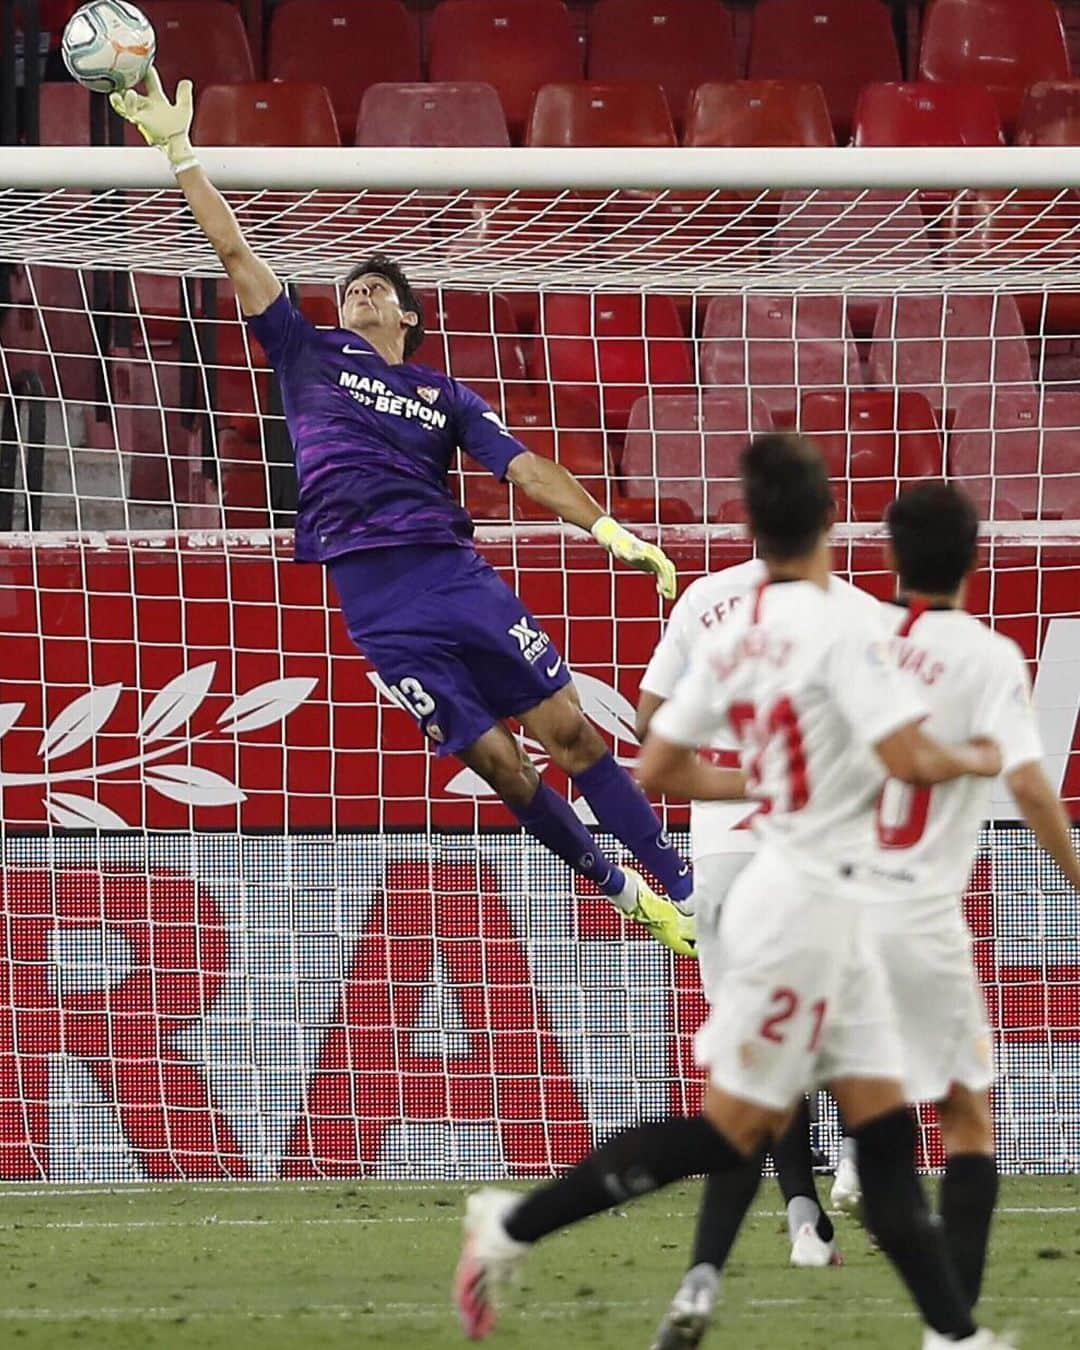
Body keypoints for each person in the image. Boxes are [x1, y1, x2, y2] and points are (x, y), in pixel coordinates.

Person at [110, 69, 696, 954]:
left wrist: (608, 529)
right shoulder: (304, 354)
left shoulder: (444, 395)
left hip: (452, 576)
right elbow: (234, 253)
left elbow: (524, 466)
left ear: (412, 317)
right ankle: (619, 890)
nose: (361, 291)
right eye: (351, 284)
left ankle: (688, 884)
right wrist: (179, 151)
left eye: (379, 287)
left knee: (569, 731)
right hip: (379, 610)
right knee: (500, 767)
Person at [453, 434, 1010, 1349]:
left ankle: (953, 1335)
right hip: (809, 902)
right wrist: (975, 757)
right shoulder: (853, 623)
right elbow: (906, 756)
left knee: (871, 1119)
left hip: (766, 888)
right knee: (739, 1129)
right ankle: (512, 1225)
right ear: (832, 524)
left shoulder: (729, 622)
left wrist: (760, 783)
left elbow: (659, 760)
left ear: (751, 524)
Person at [825, 481, 1080, 1316]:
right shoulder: (986, 655)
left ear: (890, 556)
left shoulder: (853, 648)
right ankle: (955, 1326)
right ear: (977, 557)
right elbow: (1033, 790)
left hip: (834, 907)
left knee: (864, 1106)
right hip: (921, 911)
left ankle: (856, 1168)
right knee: (967, 1115)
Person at [636, 554, 885, 1283]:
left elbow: (651, 722)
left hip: (724, 849)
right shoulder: (850, 607)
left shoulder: (706, 602)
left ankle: (804, 1218)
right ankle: (857, 1155)